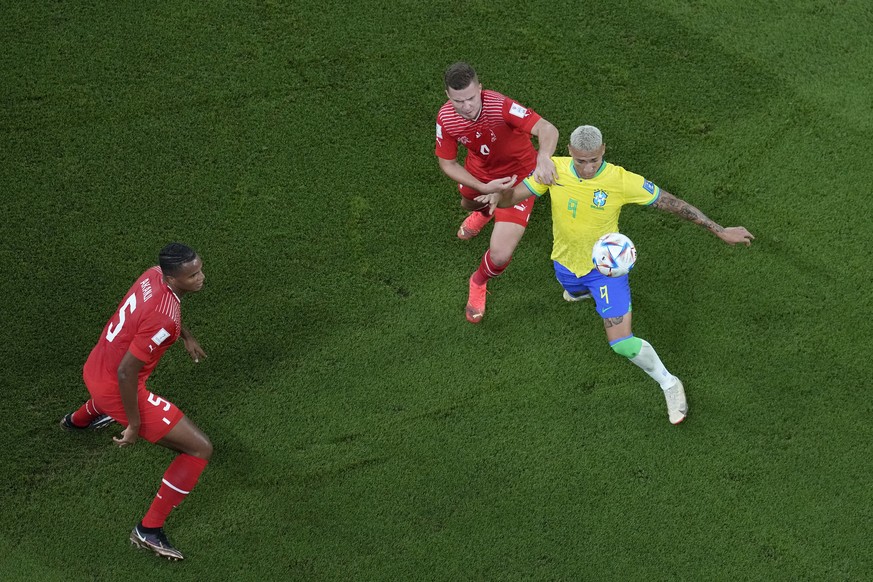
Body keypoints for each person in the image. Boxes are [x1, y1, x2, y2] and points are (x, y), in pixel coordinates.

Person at [475, 125, 754, 424]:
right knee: (570, 289)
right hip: (565, 263)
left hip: (605, 271)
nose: (587, 167)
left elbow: (673, 204)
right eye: (581, 161)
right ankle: (579, 292)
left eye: (593, 160)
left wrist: (720, 229)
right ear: (569, 152)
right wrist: (499, 195)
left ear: (603, 150)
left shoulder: (621, 180)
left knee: (621, 343)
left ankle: (669, 383)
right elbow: (514, 196)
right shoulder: (553, 169)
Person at [60, 242, 212, 560]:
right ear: (173, 278)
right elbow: (128, 373)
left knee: (119, 395)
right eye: (193, 274)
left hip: (97, 364)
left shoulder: (153, 274)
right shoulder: (164, 318)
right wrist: (133, 423)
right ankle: (148, 530)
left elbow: (164, 312)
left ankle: (77, 420)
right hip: (116, 383)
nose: (201, 277)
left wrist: (186, 336)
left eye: (200, 269)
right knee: (199, 448)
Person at [436, 62, 559, 323]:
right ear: (448, 96)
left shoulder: (500, 106)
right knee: (467, 205)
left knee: (501, 254)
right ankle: (484, 213)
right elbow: (447, 163)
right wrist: (482, 187)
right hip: (480, 176)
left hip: (518, 180)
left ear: (480, 88)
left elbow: (546, 128)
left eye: (471, 98)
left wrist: (544, 157)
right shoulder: (446, 118)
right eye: (458, 101)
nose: (467, 106)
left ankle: (478, 281)